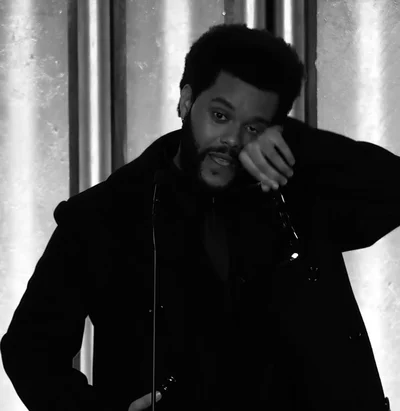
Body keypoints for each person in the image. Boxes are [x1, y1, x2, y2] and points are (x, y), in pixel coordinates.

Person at [0, 23, 397, 411]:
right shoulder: (106, 215)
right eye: (220, 116)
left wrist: (299, 140)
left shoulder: (300, 195)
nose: (232, 140)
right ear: (186, 102)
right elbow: (29, 349)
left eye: (254, 127)